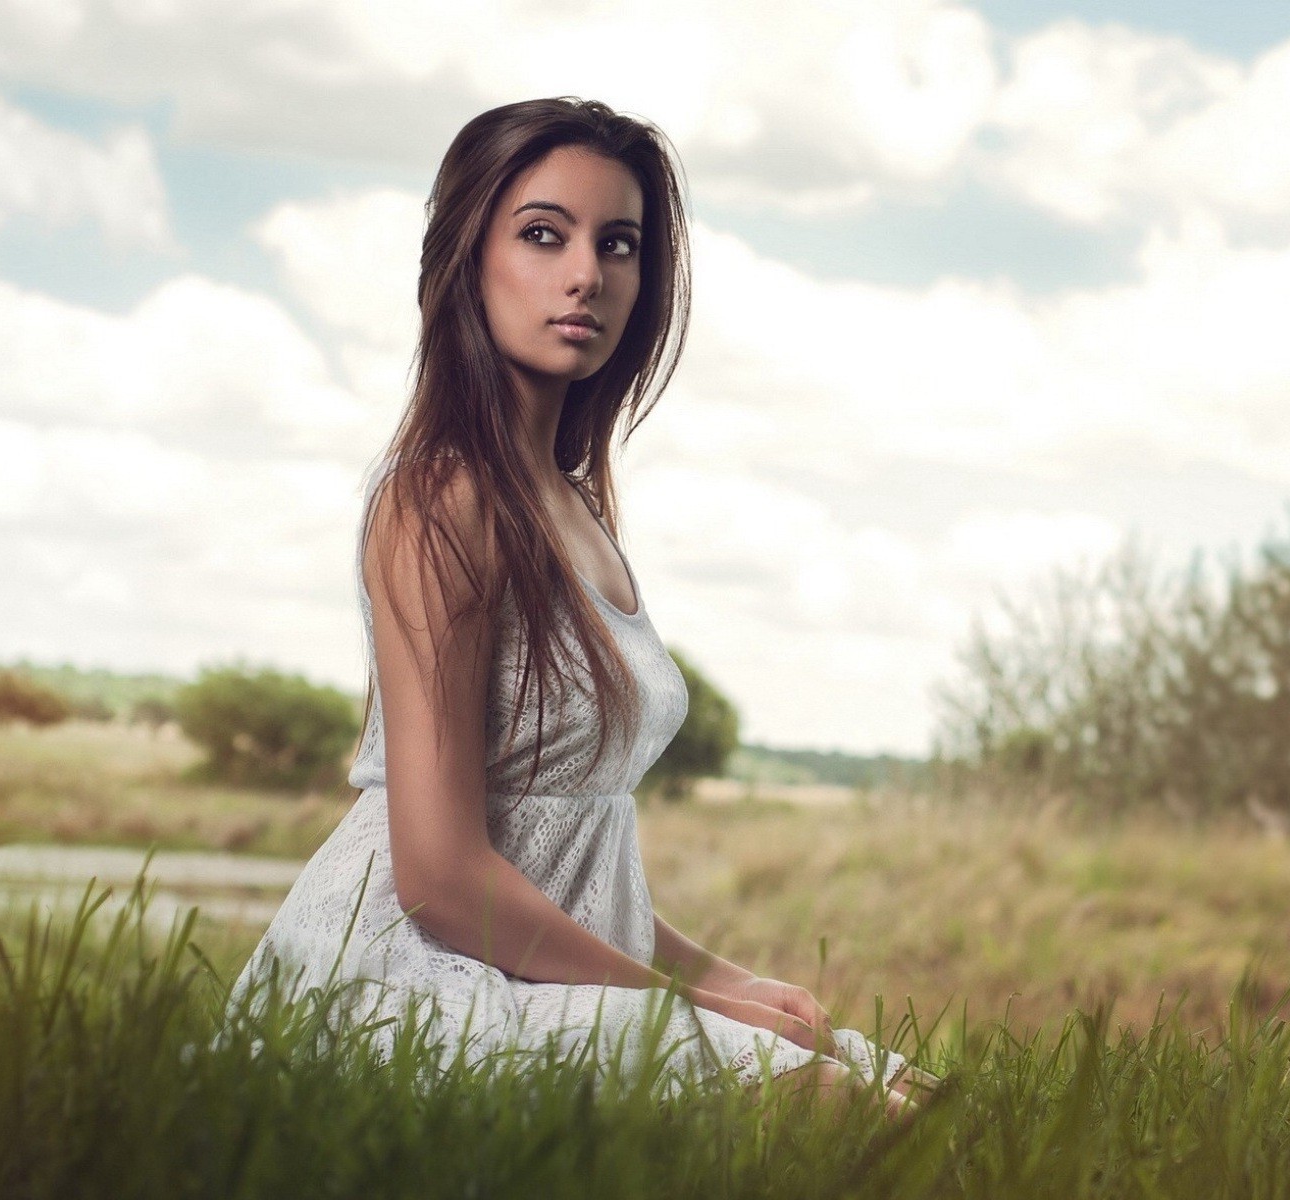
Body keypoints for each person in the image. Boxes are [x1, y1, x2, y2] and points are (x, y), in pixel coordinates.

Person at [228, 97, 937, 1120]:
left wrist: (725, 977)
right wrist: (689, 1002)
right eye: (543, 234)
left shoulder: (575, 508)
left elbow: (575, 850)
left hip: (547, 975)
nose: (585, 275)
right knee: (849, 1111)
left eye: (619, 244)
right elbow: (440, 876)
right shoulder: (441, 498)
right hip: (412, 982)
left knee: (905, 1088)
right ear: (466, 259)